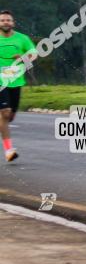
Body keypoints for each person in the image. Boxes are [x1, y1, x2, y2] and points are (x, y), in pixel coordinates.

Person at [0, 11, 36, 162]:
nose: (5, 22)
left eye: (8, 20)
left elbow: (34, 54)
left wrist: (22, 58)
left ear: (13, 23)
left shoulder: (22, 38)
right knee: (5, 113)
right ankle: (9, 150)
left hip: (16, 82)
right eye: (2, 20)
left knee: (10, 116)